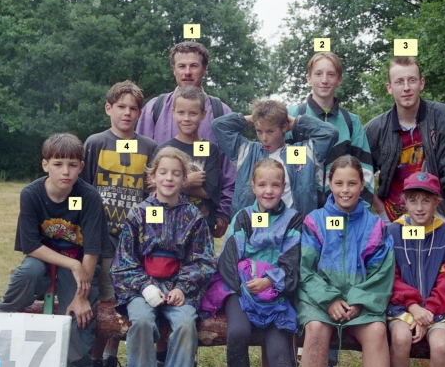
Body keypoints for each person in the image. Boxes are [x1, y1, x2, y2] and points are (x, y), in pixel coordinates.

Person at [0, 133, 107, 367]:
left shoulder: (89, 197)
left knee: (80, 318)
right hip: (46, 260)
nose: (65, 171)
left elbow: (92, 250)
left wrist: (80, 295)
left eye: (72, 164)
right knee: (27, 273)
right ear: (45, 165)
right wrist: (71, 263)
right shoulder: (31, 194)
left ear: (81, 166)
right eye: (58, 164)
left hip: (80, 263)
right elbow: (30, 246)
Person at [110, 147, 216, 367]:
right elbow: (123, 262)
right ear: (153, 177)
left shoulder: (194, 217)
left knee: (184, 324)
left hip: (179, 289)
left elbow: (203, 260)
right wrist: (145, 287)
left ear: (184, 180)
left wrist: (183, 288)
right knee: (143, 322)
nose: (169, 178)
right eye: (163, 173)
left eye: (176, 174)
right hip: (141, 288)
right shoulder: (138, 213)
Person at [297, 156, 395, 367]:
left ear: (363, 185)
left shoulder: (375, 225)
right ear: (330, 184)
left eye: (352, 183)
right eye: (339, 183)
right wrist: (329, 299)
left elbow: (382, 272)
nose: (345, 190)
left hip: (360, 301)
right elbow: (304, 269)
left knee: (376, 331)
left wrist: (358, 301)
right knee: (316, 329)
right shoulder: (314, 220)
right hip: (320, 301)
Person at [81, 80, 158, 367]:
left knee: (123, 298)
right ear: (108, 108)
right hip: (101, 238)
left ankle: (112, 357)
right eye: (121, 107)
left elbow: (153, 197)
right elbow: (82, 191)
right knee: (104, 300)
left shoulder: (150, 147)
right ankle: (94, 362)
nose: (127, 113)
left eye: (133, 108)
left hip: (132, 240)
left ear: (140, 113)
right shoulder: (95, 143)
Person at [213, 158, 303, 367]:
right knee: (238, 332)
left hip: (277, 294)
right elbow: (228, 258)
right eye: (262, 184)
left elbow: (292, 260)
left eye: (275, 185)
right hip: (242, 291)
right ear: (252, 186)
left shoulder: (293, 219)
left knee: (279, 345)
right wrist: (246, 285)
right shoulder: (243, 217)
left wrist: (270, 282)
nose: (268, 191)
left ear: (283, 186)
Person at [364, 56, 445, 241]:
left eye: (412, 80)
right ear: (389, 88)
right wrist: (382, 213)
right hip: (393, 220)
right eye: (399, 82)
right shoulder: (375, 129)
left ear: (421, 84)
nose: (406, 87)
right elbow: (361, 173)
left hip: (436, 216)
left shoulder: (444, 118)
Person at [136, 41, 234, 238]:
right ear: (174, 70)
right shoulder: (155, 108)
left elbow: (229, 168)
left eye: (194, 66)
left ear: (204, 69)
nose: (187, 72)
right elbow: (142, 163)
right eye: (182, 66)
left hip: (201, 215)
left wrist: (224, 211)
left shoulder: (221, 112)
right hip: (159, 212)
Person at [386, 172, 445, 367]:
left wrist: (427, 311)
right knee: (400, 338)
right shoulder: (392, 232)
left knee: (440, 345)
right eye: (413, 201)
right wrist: (413, 306)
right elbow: (389, 276)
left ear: (437, 202)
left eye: (426, 201)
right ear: (404, 202)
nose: (419, 208)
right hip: (402, 306)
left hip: (436, 309)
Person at [212, 100, 338, 216]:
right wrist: (254, 118)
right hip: (252, 232)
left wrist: (296, 122)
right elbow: (218, 126)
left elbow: (329, 133)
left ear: (284, 127)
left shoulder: (299, 154)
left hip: (293, 233)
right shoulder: (247, 152)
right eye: (259, 131)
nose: (264, 138)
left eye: (270, 131)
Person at [286, 51, 374, 207]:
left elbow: (365, 171)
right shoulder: (291, 116)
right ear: (309, 78)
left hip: (341, 212)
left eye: (331, 75)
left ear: (339, 80)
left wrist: (361, 211)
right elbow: (277, 166)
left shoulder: (351, 122)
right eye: (318, 74)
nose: (324, 80)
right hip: (298, 212)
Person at [154, 85, 221, 232]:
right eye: (181, 112)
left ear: (203, 114)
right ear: (173, 113)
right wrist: (187, 181)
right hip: (167, 226)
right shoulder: (163, 150)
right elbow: (153, 189)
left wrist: (170, 186)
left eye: (193, 113)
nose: (186, 119)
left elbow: (209, 192)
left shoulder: (209, 149)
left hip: (200, 227)